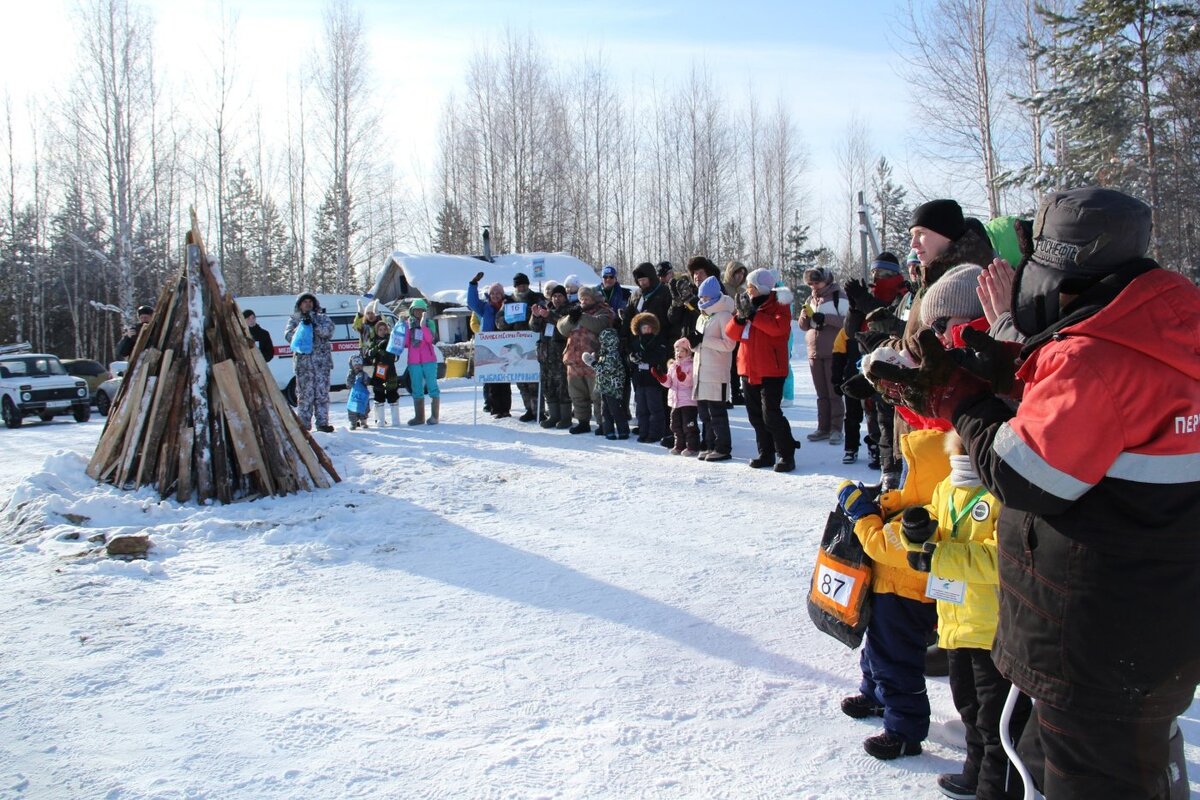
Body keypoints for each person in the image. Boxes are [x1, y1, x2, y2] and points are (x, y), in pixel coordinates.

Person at [868, 187, 1200, 799]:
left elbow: (1025, 473)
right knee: (1134, 762)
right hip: (1156, 620)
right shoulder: (1162, 331)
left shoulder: (1095, 358)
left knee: (1091, 776)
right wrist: (1015, 367)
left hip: (1094, 636)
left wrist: (966, 401)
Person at [900, 430, 1029, 800]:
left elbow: (1001, 560)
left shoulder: (1005, 493)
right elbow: (936, 529)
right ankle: (977, 773)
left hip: (995, 629)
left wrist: (937, 557)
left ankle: (1001, 788)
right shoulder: (947, 486)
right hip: (955, 622)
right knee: (970, 707)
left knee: (999, 721)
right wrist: (917, 531)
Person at [835, 476, 939, 762]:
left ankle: (905, 731)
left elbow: (890, 545)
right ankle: (876, 696)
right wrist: (883, 505)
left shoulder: (938, 491)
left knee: (896, 660)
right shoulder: (923, 481)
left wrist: (864, 516)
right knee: (877, 650)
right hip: (888, 584)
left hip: (907, 591)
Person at [725, 268, 798, 472]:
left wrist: (753, 315)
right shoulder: (748, 306)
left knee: (771, 414)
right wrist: (740, 318)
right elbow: (732, 333)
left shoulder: (779, 304)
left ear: (762, 288)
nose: (748, 291)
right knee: (755, 415)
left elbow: (779, 329)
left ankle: (785, 453)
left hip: (771, 369)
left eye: (751, 287)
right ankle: (765, 453)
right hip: (748, 368)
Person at [798, 266, 849, 445]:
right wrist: (805, 316)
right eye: (810, 283)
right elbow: (803, 326)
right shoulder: (810, 299)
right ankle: (823, 427)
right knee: (821, 394)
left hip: (834, 351)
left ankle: (836, 428)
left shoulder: (838, 297)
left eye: (817, 282)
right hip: (814, 352)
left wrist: (825, 318)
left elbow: (847, 322)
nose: (814, 286)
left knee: (834, 392)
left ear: (827, 281)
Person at [557, 285, 615, 434]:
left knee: (597, 395)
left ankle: (603, 423)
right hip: (573, 360)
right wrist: (572, 317)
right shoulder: (575, 312)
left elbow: (599, 325)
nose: (583, 301)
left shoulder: (604, 311)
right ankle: (583, 422)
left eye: (586, 298)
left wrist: (580, 316)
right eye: (581, 298)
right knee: (577, 395)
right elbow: (561, 328)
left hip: (593, 361)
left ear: (594, 298)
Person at [692, 275, 736, 462]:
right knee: (704, 412)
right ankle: (708, 443)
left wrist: (704, 340)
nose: (702, 301)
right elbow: (700, 344)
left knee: (717, 412)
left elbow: (729, 344)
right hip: (701, 372)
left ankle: (722, 447)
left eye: (705, 298)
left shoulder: (724, 315)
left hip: (717, 372)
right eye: (701, 298)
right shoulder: (702, 317)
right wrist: (693, 343)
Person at [495, 272, 545, 422]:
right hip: (515, 346)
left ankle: (539, 411)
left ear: (528, 285)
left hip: (534, 344)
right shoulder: (508, 301)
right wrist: (509, 320)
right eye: (518, 285)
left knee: (534, 380)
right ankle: (529, 409)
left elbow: (545, 314)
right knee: (522, 381)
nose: (522, 288)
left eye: (524, 285)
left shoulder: (537, 298)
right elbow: (499, 323)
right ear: (515, 287)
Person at [283, 292, 335, 433]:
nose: (307, 304)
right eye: (304, 302)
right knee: (304, 396)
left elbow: (328, 332)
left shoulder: (322, 318)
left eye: (310, 301)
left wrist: (313, 324)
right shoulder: (294, 319)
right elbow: (288, 336)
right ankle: (304, 425)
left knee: (322, 395)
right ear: (299, 304)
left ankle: (323, 423)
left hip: (321, 365)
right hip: (304, 366)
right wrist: (301, 326)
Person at [466, 271, 513, 418]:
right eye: (493, 293)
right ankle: (496, 408)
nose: (496, 295)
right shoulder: (485, 308)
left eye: (498, 293)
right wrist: (473, 284)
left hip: (505, 345)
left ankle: (505, 409)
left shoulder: (509, 306)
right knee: (493, 380)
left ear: (503, 294)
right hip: (489, 346)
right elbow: (471, 302)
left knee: (504, 380)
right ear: (489, 294)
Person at [531, 284, 572, 429]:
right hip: (545, 356)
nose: (557, 299)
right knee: (548, 387)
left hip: (561, 357)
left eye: (560, 296)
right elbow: (535, 328)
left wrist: (550, 316)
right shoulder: (546, 309)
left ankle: (566, 417)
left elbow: (565, 325)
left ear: (565, 297)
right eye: (554, 296)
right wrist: (535, 316)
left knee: (563, 388)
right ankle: (553, 416)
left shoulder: (570, 310)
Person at [627, 311, 670, 443]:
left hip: (653, 379)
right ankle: (643, 430)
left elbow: (660, 356)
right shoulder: (635, 342)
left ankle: (655, 433)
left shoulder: (659, 340)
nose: (647, 330)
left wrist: (644, 357)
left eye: (649, 327)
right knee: (641, 408)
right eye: (644, 327)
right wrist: (632, 358)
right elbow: (630, 355)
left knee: (654, 407)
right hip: (639, 380)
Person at [655, 338, 701, 456]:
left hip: (688, 401)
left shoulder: (691, 365)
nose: (678, 353)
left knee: (688, 425)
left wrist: (683, 376)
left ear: (688, 352)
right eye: (677, 351)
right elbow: (669, 383)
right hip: (675, 401)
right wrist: (662, 378)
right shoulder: (673, 366)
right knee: (675, 425)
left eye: (682, 351)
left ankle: (692, 446)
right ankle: (679, 445)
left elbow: (690, 382)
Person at [583, 328, 629, 440]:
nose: (601, 344)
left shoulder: (612, 355)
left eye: (603, 342)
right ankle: (608, 430)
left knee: (615, 410)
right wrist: (595, 360)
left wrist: (592, 362)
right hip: (605, 386)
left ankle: (623, 430)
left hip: (612, 387)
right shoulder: (606, 353)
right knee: (606, 410)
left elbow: (606, 369)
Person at [403, 299, 441, 425]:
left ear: (425, 311)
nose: (418, 312)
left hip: (429, 360)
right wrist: (402, 328)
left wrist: (423, 326)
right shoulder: (408, 324)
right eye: (416, 310)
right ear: (412, 311)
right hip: (414, 362)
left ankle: (434, 417)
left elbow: (430, 339)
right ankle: (419, 417)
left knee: (432, 387)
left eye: (421, 310)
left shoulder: (429, 323)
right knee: (416, 389)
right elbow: (406, 343)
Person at [364, 318, 401, 427]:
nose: (382, 331)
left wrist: (386, 348)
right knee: (379, 394)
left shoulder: (392, 340)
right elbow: (368, 353)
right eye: (380, 329)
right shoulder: (373, 341)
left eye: (384, 329)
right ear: (376, 331)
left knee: (392, 394)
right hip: (379, 373)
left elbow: (396, 354)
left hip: (390, 372)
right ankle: (380, 420)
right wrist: (377, 348)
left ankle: (395, 420)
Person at [345, 354, 370, 430]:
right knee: (352, 410)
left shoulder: (364, 374)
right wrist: (353, 382)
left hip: (362, 395)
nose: (357, 366)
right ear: (352, 365)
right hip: (353, 395)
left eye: (359, 364)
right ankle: (353, 423)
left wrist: (365, 379)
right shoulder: (350, 374)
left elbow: (367, 382)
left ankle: (363, 421)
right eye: (355, 364)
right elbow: (348, 384)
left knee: (364, 408)